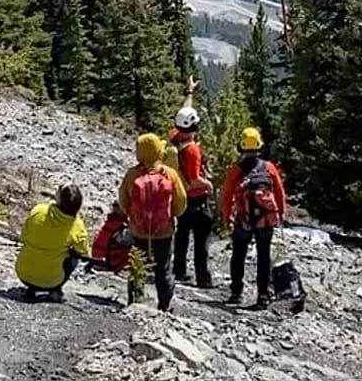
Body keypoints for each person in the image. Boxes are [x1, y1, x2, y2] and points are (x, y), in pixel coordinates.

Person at [118, 132, 187, 311]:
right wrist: (172, 216)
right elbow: (181, 203)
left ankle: (135, 301)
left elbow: (123, 200)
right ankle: (164, 304)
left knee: (137, 265)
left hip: (138, 230)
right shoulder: (169, 174)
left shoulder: (132, 174)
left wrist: (132, 217)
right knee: (163, 268)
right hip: (164, 231)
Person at [220, 127, 286, 310]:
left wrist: (226, 217)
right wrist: (280, 214)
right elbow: (279, 191)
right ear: (259, 145)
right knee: (264, 258)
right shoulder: (269, 167)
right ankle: (263, 295)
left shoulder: (237, 169)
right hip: (265, 220)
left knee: (238, 255)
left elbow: (226, 195)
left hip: (244, 219)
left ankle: (236, 292)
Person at [15, 183, 89, 303]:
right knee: (73, 257)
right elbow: (83, 252)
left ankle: (31, 289)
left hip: (23, 273)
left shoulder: (39, 210)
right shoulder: (77, 226)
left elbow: (24, 235)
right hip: (51, 281)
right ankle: (55, 290)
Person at [170, 101, 215, 288]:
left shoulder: (174, 139)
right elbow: (195, 179)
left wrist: (188, 94)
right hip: (197, 198)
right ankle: (202, 276)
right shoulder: (193, 150)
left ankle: (179, 271)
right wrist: (209, 184)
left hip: (182, 197)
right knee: (201, 239)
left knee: (181, 235)